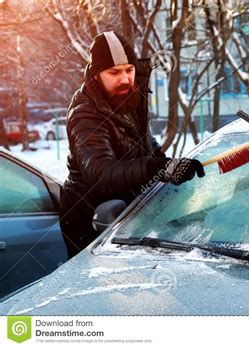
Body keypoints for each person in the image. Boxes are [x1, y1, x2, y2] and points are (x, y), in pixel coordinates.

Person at [60, 31, 205, 259]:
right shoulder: (85, 114)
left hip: (127, 212)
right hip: (91, 220)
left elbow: (145, 142)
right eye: (114, 72)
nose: (125, 79)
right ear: (96, 75)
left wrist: (168, 166)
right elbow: (101, 172)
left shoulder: (129, 96)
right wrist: (155, 168)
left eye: (129, 70)